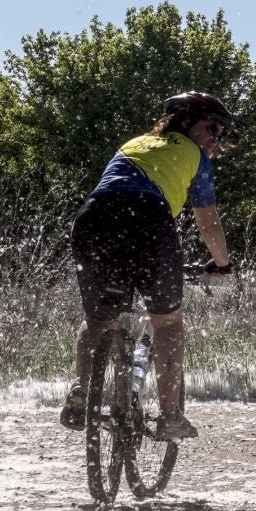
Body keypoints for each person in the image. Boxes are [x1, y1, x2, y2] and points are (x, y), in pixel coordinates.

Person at [60, 91, 236, 441]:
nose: (216, 140)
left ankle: (81, 389)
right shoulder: (196, 157)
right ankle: (170, 417)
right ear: (189, 123)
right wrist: (222, 263)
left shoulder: (134, 144)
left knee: (99, 318)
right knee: (167, 322)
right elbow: (208, 223)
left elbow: (116, 193)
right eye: (214, 129)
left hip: (92, 219)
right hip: (149, 221)